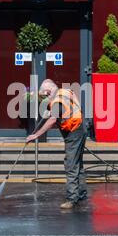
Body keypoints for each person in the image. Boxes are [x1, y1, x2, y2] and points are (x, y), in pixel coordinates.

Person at [26, 79, 87, 209]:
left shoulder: (57, 102)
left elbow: (53, 120)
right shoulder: (65, 91)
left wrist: (36, 135)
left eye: (45, 95)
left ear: (48, 92)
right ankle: (81, 193)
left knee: (70, 164)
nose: (45, 98)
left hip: (73, 132)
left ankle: (72, 199)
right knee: (78, 163)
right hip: (81, 127)